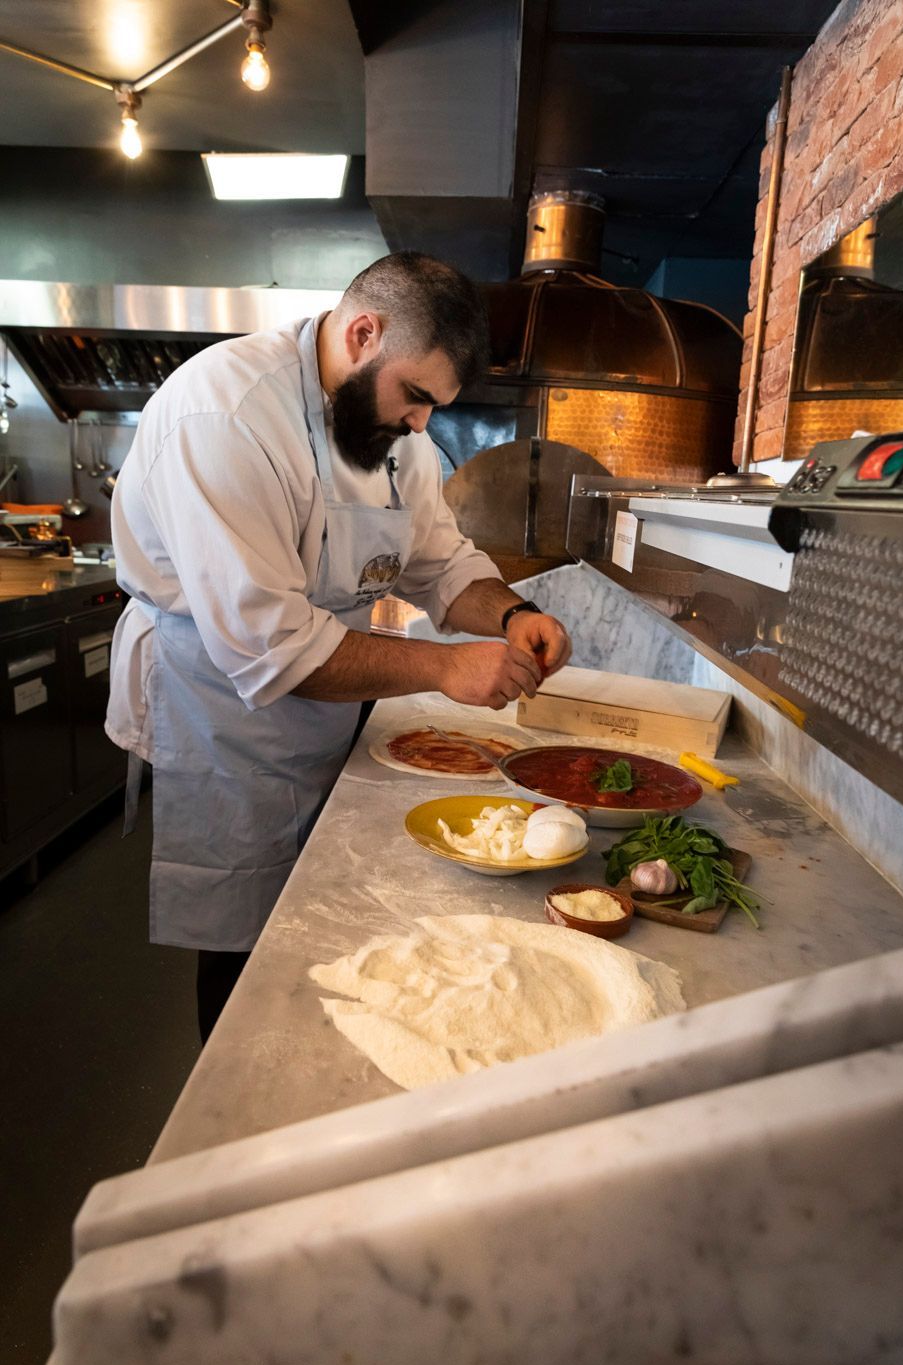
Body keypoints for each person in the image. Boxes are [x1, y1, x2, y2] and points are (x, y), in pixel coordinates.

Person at [105, 251, 572, 1041]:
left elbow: (440, 562)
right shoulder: (224, 416)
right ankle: (236, 1109)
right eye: (417, 397)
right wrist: (448, 667)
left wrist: (508, 613)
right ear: (362, 333)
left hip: (334, 691)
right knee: (245, 936)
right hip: (224, 706)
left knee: (325, 911)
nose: (422, 424)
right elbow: (269, 647)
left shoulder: (391, 428)